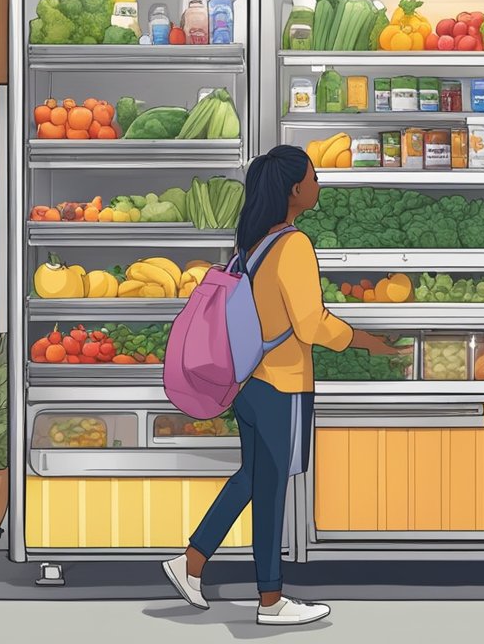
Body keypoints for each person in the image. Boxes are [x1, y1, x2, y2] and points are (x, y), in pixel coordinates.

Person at [161, 146, 398, 625]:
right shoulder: (294, 245)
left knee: (253, 477)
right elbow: (311, 325)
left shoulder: (252, 243)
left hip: (249, 380)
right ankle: (269, 600)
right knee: (268, 489)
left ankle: (191, 562)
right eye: (313, 177)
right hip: (283, 383)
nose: (318, 184)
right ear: (294, 190)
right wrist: (367, 341)